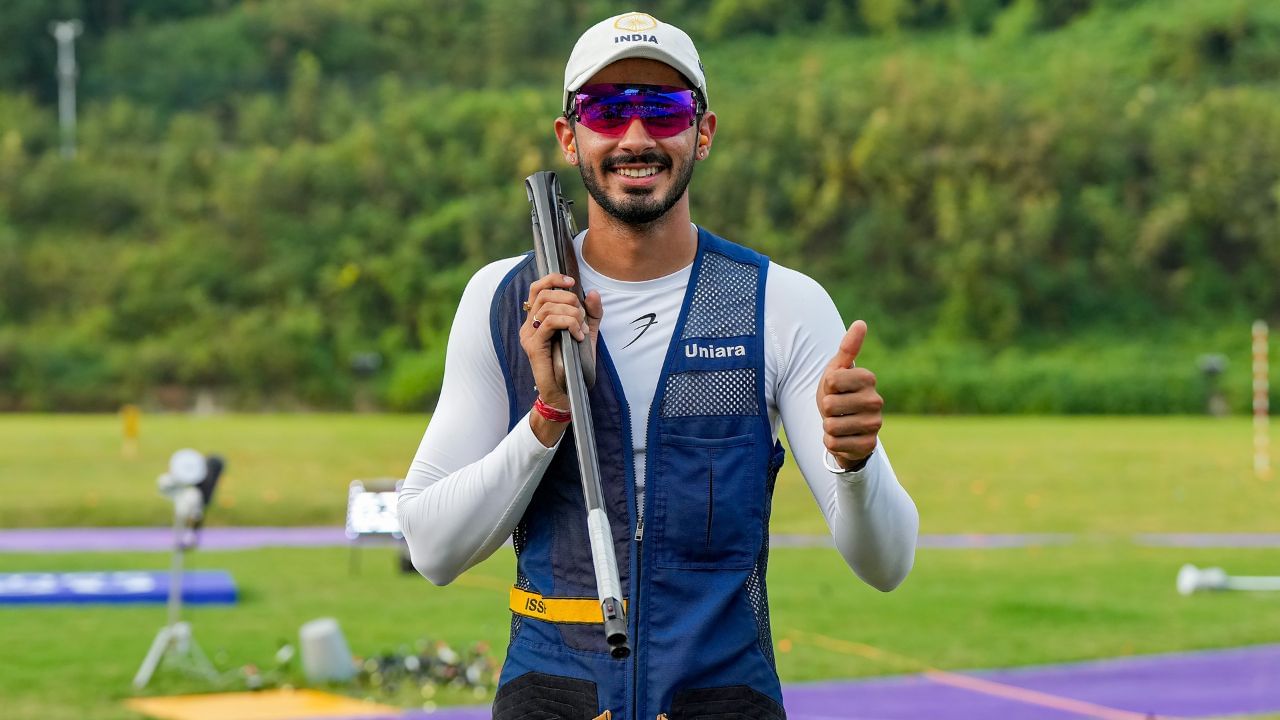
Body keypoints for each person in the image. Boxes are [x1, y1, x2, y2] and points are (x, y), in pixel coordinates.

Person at [398, 11, 919, 719]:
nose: (636, 137)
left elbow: (886, 565)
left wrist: (853, 465)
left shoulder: (780, 304)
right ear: (569, 136)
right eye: (607, 111)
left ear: (701, 133)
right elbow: (431, 547)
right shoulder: (504, 298)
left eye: (663, 109)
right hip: (554, 697)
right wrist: (547, 415)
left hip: (723, 698)